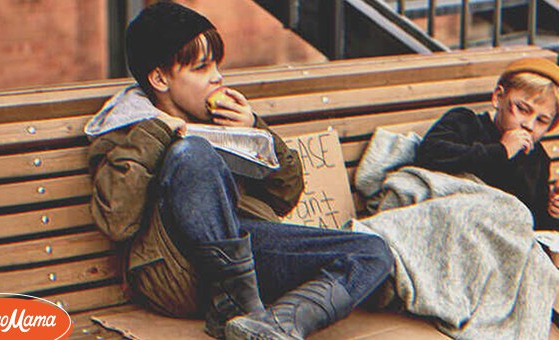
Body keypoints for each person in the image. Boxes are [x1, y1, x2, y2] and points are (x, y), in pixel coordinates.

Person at [84, 2, 392, 340]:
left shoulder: (222, 121)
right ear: (159, 78)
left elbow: (285, 196)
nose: (217, 76)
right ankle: (237, 306)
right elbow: (117, 220)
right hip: (177, 273)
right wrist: (158, 133)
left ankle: (273, 324)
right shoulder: (126, 129)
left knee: (372, 252)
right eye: (201, 68)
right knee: (191, 152)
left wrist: (255, 132)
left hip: (243, 265)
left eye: (217, 65)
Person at [414, 57, 559, 231]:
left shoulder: (535, 157)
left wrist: (552, 209)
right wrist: (501, 150)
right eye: (522, 109)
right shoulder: (465, 122)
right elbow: (429, 153)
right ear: (499, 97)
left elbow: (527, 217)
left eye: (542, 121)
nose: (529, 124)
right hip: (446, 218)